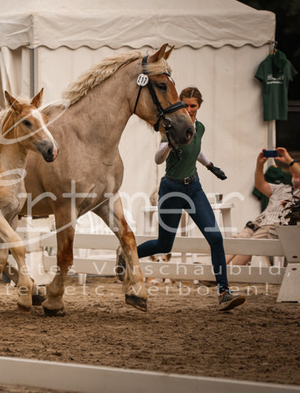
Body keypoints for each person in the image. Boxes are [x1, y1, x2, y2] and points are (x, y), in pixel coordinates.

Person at [119, 87, 245, 311]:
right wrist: (169, 145)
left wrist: (210, 166)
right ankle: (126, 253)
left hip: (194, 188)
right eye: (185, 105)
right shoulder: (171, 129)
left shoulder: (200, 128)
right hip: (171, 189)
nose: (189, 109)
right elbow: (158, 159)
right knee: (164, 244)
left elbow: (196, 150)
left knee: (215, 238)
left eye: (193, 106)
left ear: (199, 106)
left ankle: (224, 293)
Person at [226, 147, 300, 265]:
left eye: (297, 170)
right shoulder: (283, 188)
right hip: (257, 224)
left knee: (249, 246)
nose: (295, 173)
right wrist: (260, 164)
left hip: (275, 228)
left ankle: (227, 274)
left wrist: (289, 160)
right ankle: (215, 272)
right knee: (232, 244)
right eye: (293, 171)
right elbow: (259, 184)